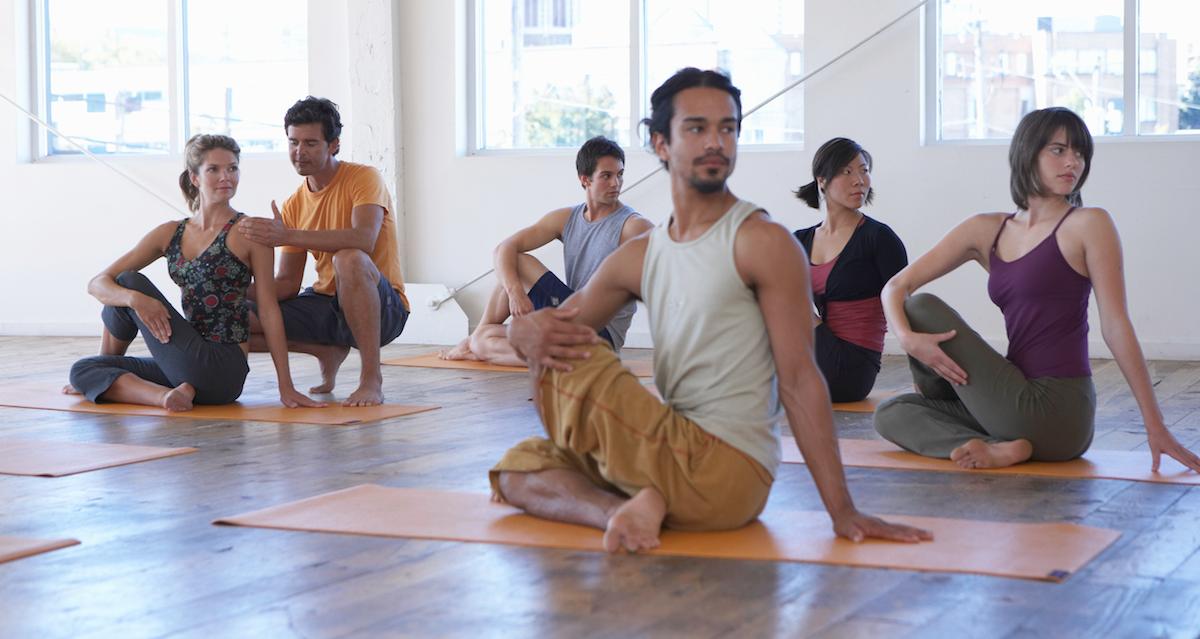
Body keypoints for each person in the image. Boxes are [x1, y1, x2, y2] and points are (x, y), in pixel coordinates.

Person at [490, 68, 932, 553]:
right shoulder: (642, 255)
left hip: (729, 469)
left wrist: (842, 510)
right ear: (660, 144)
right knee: (518, 467)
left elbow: (801, 378)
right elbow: (552, 332)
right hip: (667, 446)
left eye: (727, 128)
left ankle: (647, 495)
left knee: (579, 352)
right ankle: (625, 510)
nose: (716, 141)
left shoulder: (763, 242)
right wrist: (521, 335)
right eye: (697, 128)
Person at [874, 107, 1200, 474]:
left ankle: (1010, 442)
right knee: (891, 413)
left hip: (1061, 411)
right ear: (1027, 153)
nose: (1072, 161)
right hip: (1011, 403)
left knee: (923, 307)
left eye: (1079, 153)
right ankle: (1004, 447)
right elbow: (895, 286)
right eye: (1058, 150)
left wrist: (1155, 426)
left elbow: (1116, 324)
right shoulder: (988, 230)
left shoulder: (1088, 224)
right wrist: (906, 339)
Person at [66, 135, 322, 412]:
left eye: (233, 168)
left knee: (129, 281)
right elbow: (97, 283)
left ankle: (115, 382)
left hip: (223, 369)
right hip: (185, 361)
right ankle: (158, 393)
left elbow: (269, 310)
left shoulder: (250, 232)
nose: (226, 176)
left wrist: (286, 385)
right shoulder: (170, 233)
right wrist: (135, 300)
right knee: (84, 366)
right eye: (214, 169)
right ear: (195, 177)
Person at [238, 97, 410, 407]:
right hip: (325, 305)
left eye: (311, 143)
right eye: (293, 142)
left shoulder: (364, 178)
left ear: (334, 145)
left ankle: (371, 379)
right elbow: (287, 285)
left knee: (350, 258)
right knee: (230, 317)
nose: (299, 152)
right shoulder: (293, 204)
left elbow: (363, 240)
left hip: (384, 308)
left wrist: (287, 234)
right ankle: (325, 350)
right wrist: (230, 288)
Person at [440, 136, 653, 365]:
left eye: (620, 175)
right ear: (585, 180)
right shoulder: (566, 218)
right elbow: (503, 249)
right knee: (485, 334)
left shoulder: (632, 225)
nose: (616, 183)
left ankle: (477, 344)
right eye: (606, 176)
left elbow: (670, 260)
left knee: (521, 264)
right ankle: (486, 343)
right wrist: (516, 294)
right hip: (568, 321)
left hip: (599, 334)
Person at [793, 137, 907, 402]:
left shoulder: (878, 238)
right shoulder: (800, 240)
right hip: (814, 353)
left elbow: (907, 307)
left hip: (851, 368)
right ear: (822, 180)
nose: (859, 180)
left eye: (864, 170)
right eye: (847, 172)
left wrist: (926, 372)